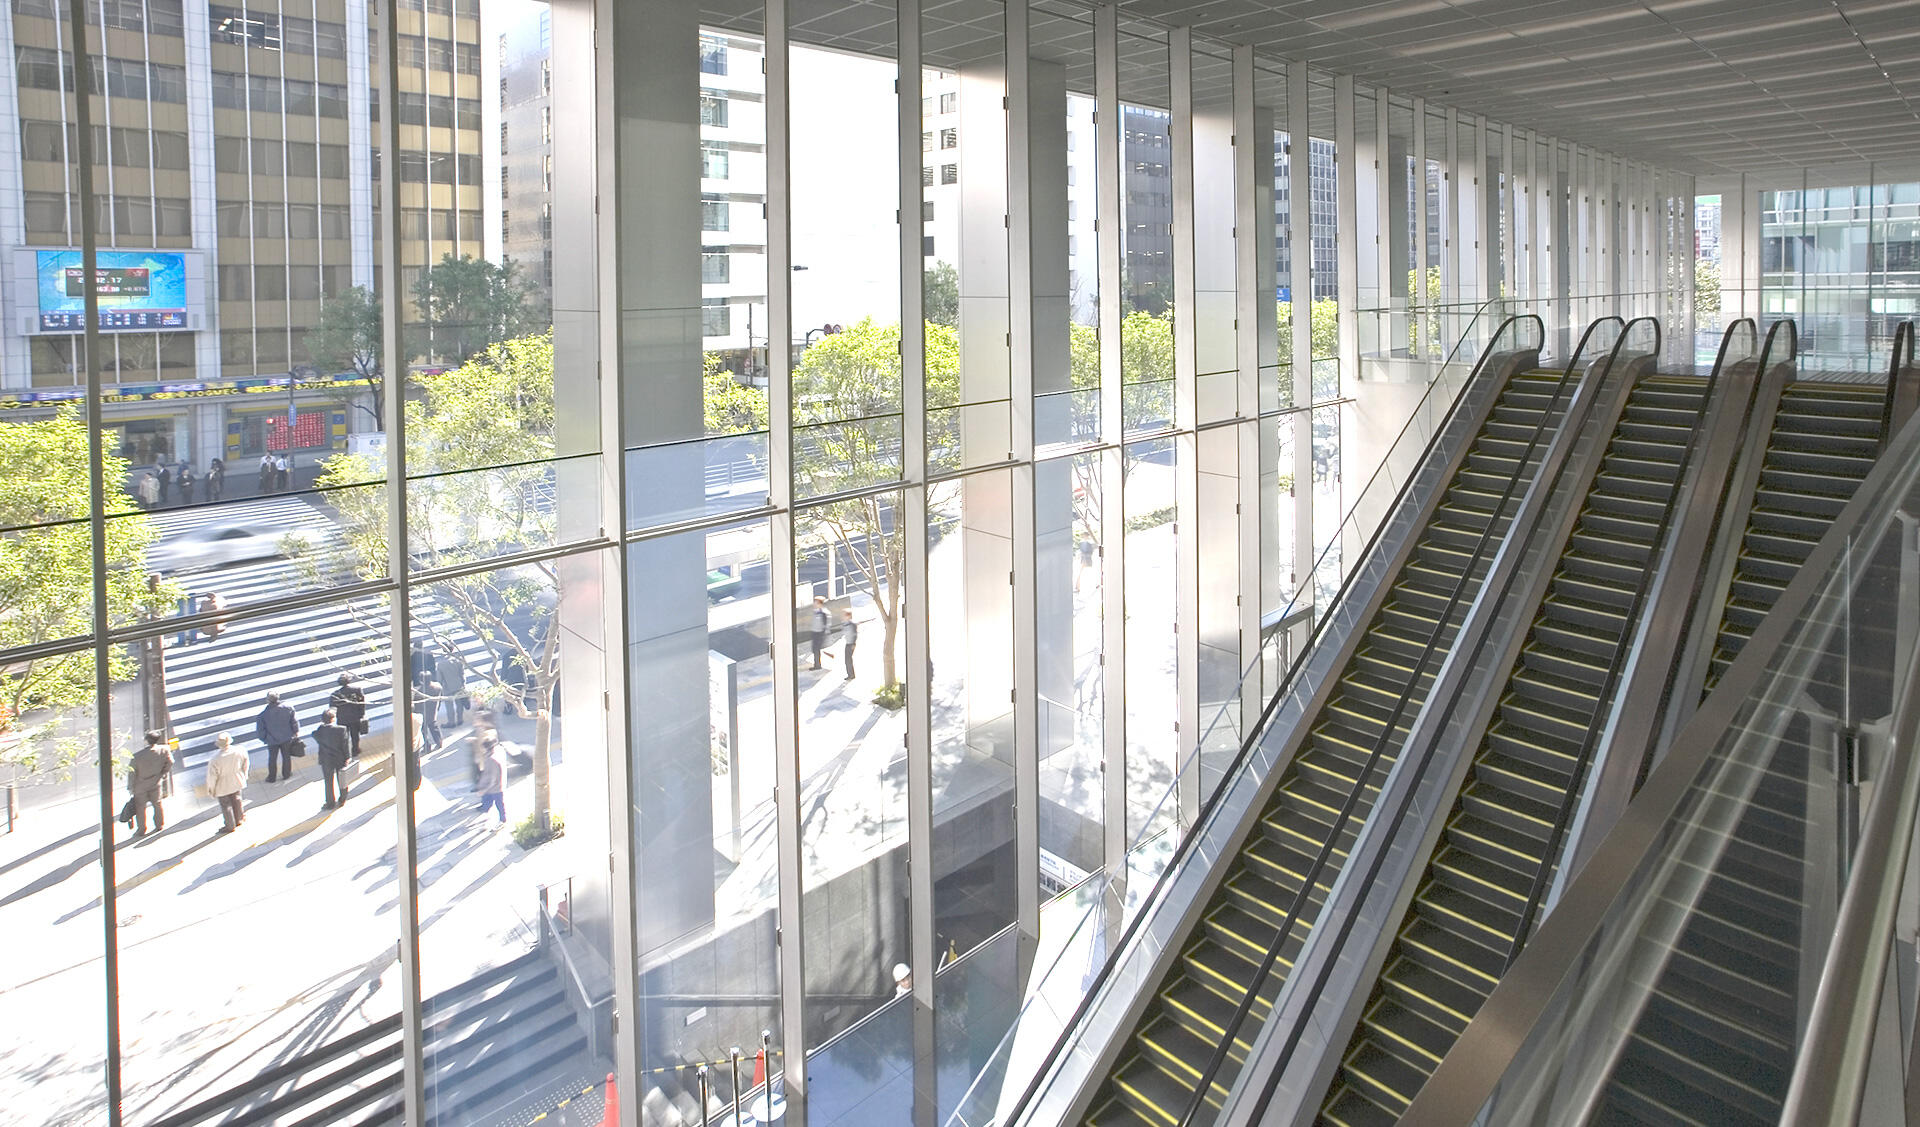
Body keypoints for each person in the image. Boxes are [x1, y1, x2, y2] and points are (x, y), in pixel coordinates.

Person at [127, 730, 170, 837]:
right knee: (157, 804)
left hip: (140, 785)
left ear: (146, 740)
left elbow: (132, 773)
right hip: (156, 782)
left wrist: (130, 787)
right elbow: (170, 762)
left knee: (140, 807)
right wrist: (163, 773)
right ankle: (159, 824)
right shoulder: (164, 750)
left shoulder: (137, 756)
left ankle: (141, 829)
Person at [204, 732, 249, 833]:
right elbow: (245, 764)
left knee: (226, 805)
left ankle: (230, 825)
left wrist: (211, 789)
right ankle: (239, 819)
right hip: (236, 779)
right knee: (237, 800)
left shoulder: (215, 759)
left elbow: (212, 777)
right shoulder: (239, 751)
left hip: (222, 785)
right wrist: (244, 775)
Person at [255, 691, 300, 783]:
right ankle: (286, 774)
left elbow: (260, 731)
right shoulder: (288, 708)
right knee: (286, 756)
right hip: (286, 737)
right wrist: (295, 732)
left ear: (268, 700)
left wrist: (265, 739)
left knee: (272, 758)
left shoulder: (262, 715)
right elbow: (294, 722)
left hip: (271, 740)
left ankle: (272, 777)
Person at [313, 708, 351, 810]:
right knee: (342, 779)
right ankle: (342, 799)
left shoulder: (320, 731)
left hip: (326, 759)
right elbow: (345, 745)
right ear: (333, 719)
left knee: (328, 781)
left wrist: (321, 726)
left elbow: (314, 734)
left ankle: (330, 803)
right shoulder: (341, 729)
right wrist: (347, 757)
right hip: (340, 758)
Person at [329, 672, 367, 758]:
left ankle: (345, 753)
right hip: (355, 717)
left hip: (342, 719)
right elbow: (362, 703)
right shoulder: (357, 690)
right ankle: (355, 750)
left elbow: (332, 707)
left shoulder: (335, 694)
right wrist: (361, 714)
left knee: (344, 737)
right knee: (355, 736)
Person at [474, 738, 507, 824]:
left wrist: (483, 790)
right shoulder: (488, 757)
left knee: (499, 804)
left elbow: (492, 778)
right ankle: (489, 818)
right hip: (491, 787)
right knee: (489, 804)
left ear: (486, 748)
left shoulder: (492, 760)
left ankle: (502, 820)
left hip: (495, 788)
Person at [439, 649, 469, 726]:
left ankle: (451, 722)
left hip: (447, 687)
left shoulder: (441, 664)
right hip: (458, 685)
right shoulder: (458, 661)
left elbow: (439, 679)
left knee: (449, 706)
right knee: (459, 704)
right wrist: (463, 684)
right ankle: (460, 719)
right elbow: (462, 674)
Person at [809, 596, 829, 671]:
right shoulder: (815, 612)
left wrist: (823, 636)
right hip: (814, 633)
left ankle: (817, 665)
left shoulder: (823, 613)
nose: (814, 604)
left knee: (816, 650)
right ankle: (816, 664)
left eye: (816, 602)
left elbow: (825, 625)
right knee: (814, 649)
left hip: (819, 634)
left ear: (819, 604)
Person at [841, 608, 858, 680]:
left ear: (848, 616)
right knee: (847, 660)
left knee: (848, 660)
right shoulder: (845, 623)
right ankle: (850, 674)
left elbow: (855, 635)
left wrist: (853, 644)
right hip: (847, 643)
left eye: (844, 615)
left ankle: (851, 675)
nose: (843, 616)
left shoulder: (852, 624)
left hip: (851, 644)